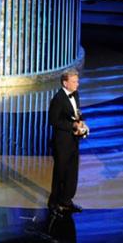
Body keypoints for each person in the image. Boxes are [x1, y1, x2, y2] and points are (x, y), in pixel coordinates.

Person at [48, 68, 87, 214]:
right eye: (74, 81)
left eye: (77, 81)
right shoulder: (58, 99)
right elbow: (53, 121)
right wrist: (72, 125)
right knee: (60, 173)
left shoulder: (75, 94)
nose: (77, 84)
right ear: (65, 83)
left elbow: (76, 113)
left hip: (73, 140)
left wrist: (81, 123)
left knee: (72, 172)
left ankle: (66, 200)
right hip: (62, 142)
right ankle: (54, 203)